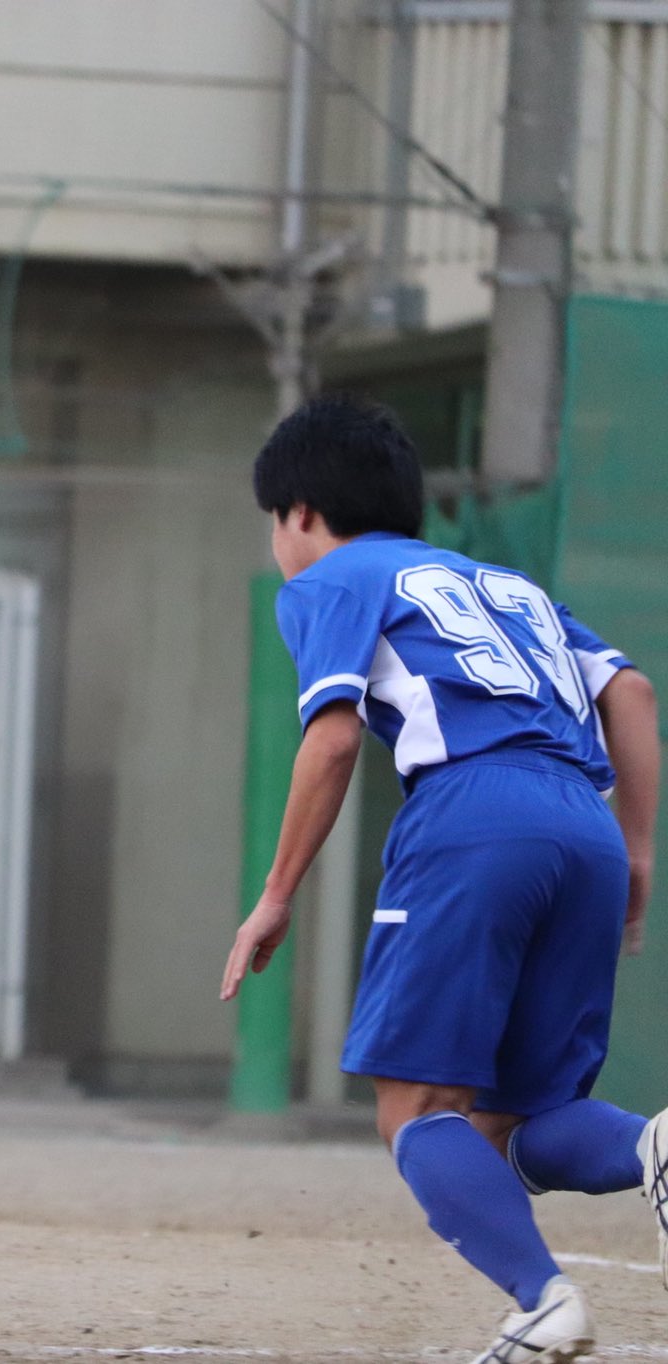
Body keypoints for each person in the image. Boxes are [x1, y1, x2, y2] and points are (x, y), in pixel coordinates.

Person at [222, 395, 666, 1364]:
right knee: (513, 1122)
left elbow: (333, 735)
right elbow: (627, 689)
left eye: (272, 525)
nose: (276, 546)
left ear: (298, 510)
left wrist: (274, 893)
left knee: (415, 1111)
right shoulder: (509, 587)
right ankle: (652, 1146)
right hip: (581, 826)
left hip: (472, 814)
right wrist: (633, 848)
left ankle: (543, 1300)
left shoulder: (331, 576)